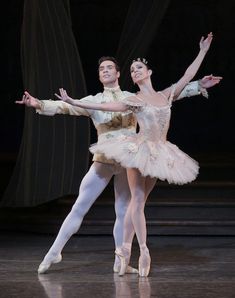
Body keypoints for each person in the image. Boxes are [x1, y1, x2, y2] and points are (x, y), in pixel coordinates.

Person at [16, 54, 221, 275]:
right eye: (101, 68)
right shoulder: (95, 100)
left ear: (118, 73)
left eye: (109, 67)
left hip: (130, 160)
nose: (104, 71)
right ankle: (53, 253)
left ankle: (121, 261)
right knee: (80, 206)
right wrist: (38, 103)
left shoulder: (133, 96)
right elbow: (66, 107)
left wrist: (198, 85)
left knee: (124, 210)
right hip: (105, 159)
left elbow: (166, 97)